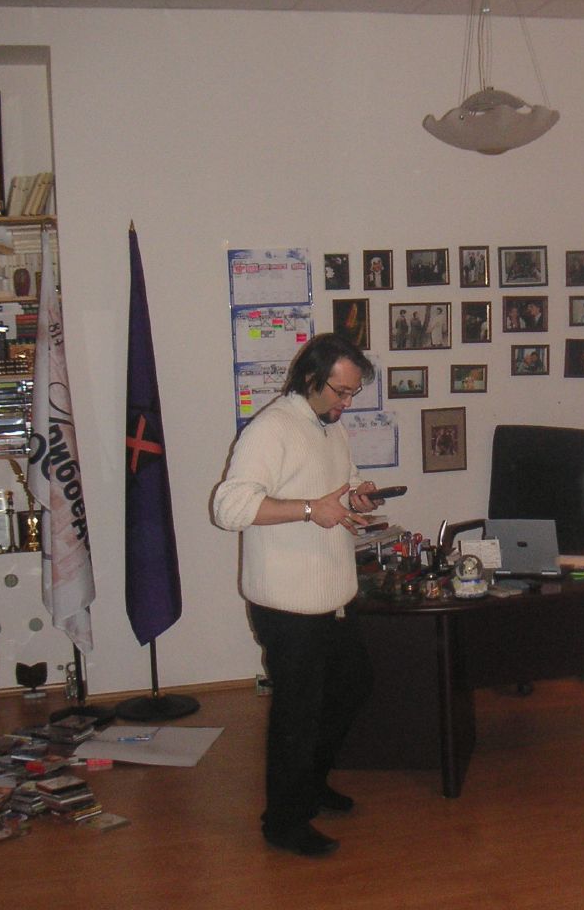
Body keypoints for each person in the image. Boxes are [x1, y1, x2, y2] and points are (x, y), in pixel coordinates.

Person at [211, 333, 384, 858]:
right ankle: (283, 822)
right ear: (311, 376)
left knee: (352, 686)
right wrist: (310, 510)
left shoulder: (329, 427)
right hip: (287, 607)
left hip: (333, 598)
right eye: (341, 391)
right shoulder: (270, 429)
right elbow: (229, 507)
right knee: (297, 715)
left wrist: (357, 494)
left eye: (352, 393)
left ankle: (309, 783)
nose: (346, 402)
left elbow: (339, 483)